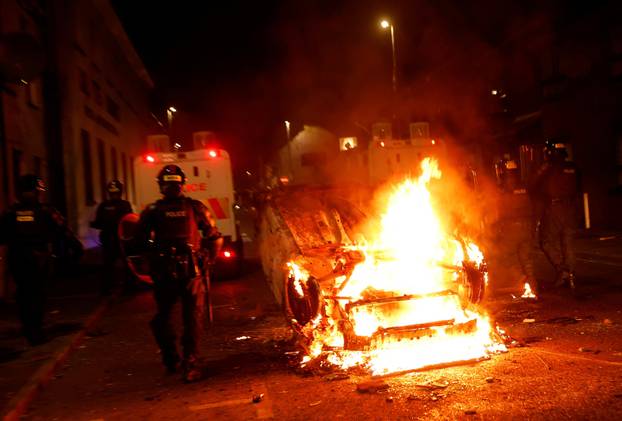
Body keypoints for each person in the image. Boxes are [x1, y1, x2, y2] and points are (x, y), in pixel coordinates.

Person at [135, 165, 221, 382]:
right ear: (182, 183)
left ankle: (171, 358)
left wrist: (152, 259)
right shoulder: (195, 207)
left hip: (166, 272)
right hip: (189, 272)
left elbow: (138, 242)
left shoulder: (152, 210)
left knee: (164, 317)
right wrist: (208, 260)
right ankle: (189, 362)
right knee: (191, 318)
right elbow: (214, 237)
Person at [0, 175, 78, 345]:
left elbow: (2, 236)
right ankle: (35, 332)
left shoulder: (10, 213)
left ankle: (29, 328)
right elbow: (63, 231)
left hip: (18, 259)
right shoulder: (46, 211)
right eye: (36, 192)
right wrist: (76, 248)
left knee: (24, 293)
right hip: (38, 259)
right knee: (37, 295)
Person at [530, 139, 581, 289]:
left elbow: (534, 186)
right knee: (568, 242)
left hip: (554, 208)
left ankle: (563, 270)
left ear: (550, 153)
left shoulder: (548, 168)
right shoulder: (573, 167)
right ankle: (571, 274)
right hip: (570, 209)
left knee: (545, 241)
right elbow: (578, 188)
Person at [493, 158, 537, 291]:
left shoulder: (502, 189)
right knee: (526, 258)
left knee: (508, 257)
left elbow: (497, 210)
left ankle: (519, 283)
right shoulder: (524, 186)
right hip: (527, 225)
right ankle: (533, 286)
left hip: (511, 227)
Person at [90, 180, 133, 295]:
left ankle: (121, 287)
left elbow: (128, 220)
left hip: (117, 240)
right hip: (115, 239)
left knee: (117, 265)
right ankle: (113, 287)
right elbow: (129, 220)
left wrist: (95, 224)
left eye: (115, 193)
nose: (113, 195)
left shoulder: (107, 205)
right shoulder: (121, 205)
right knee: (111, 265)